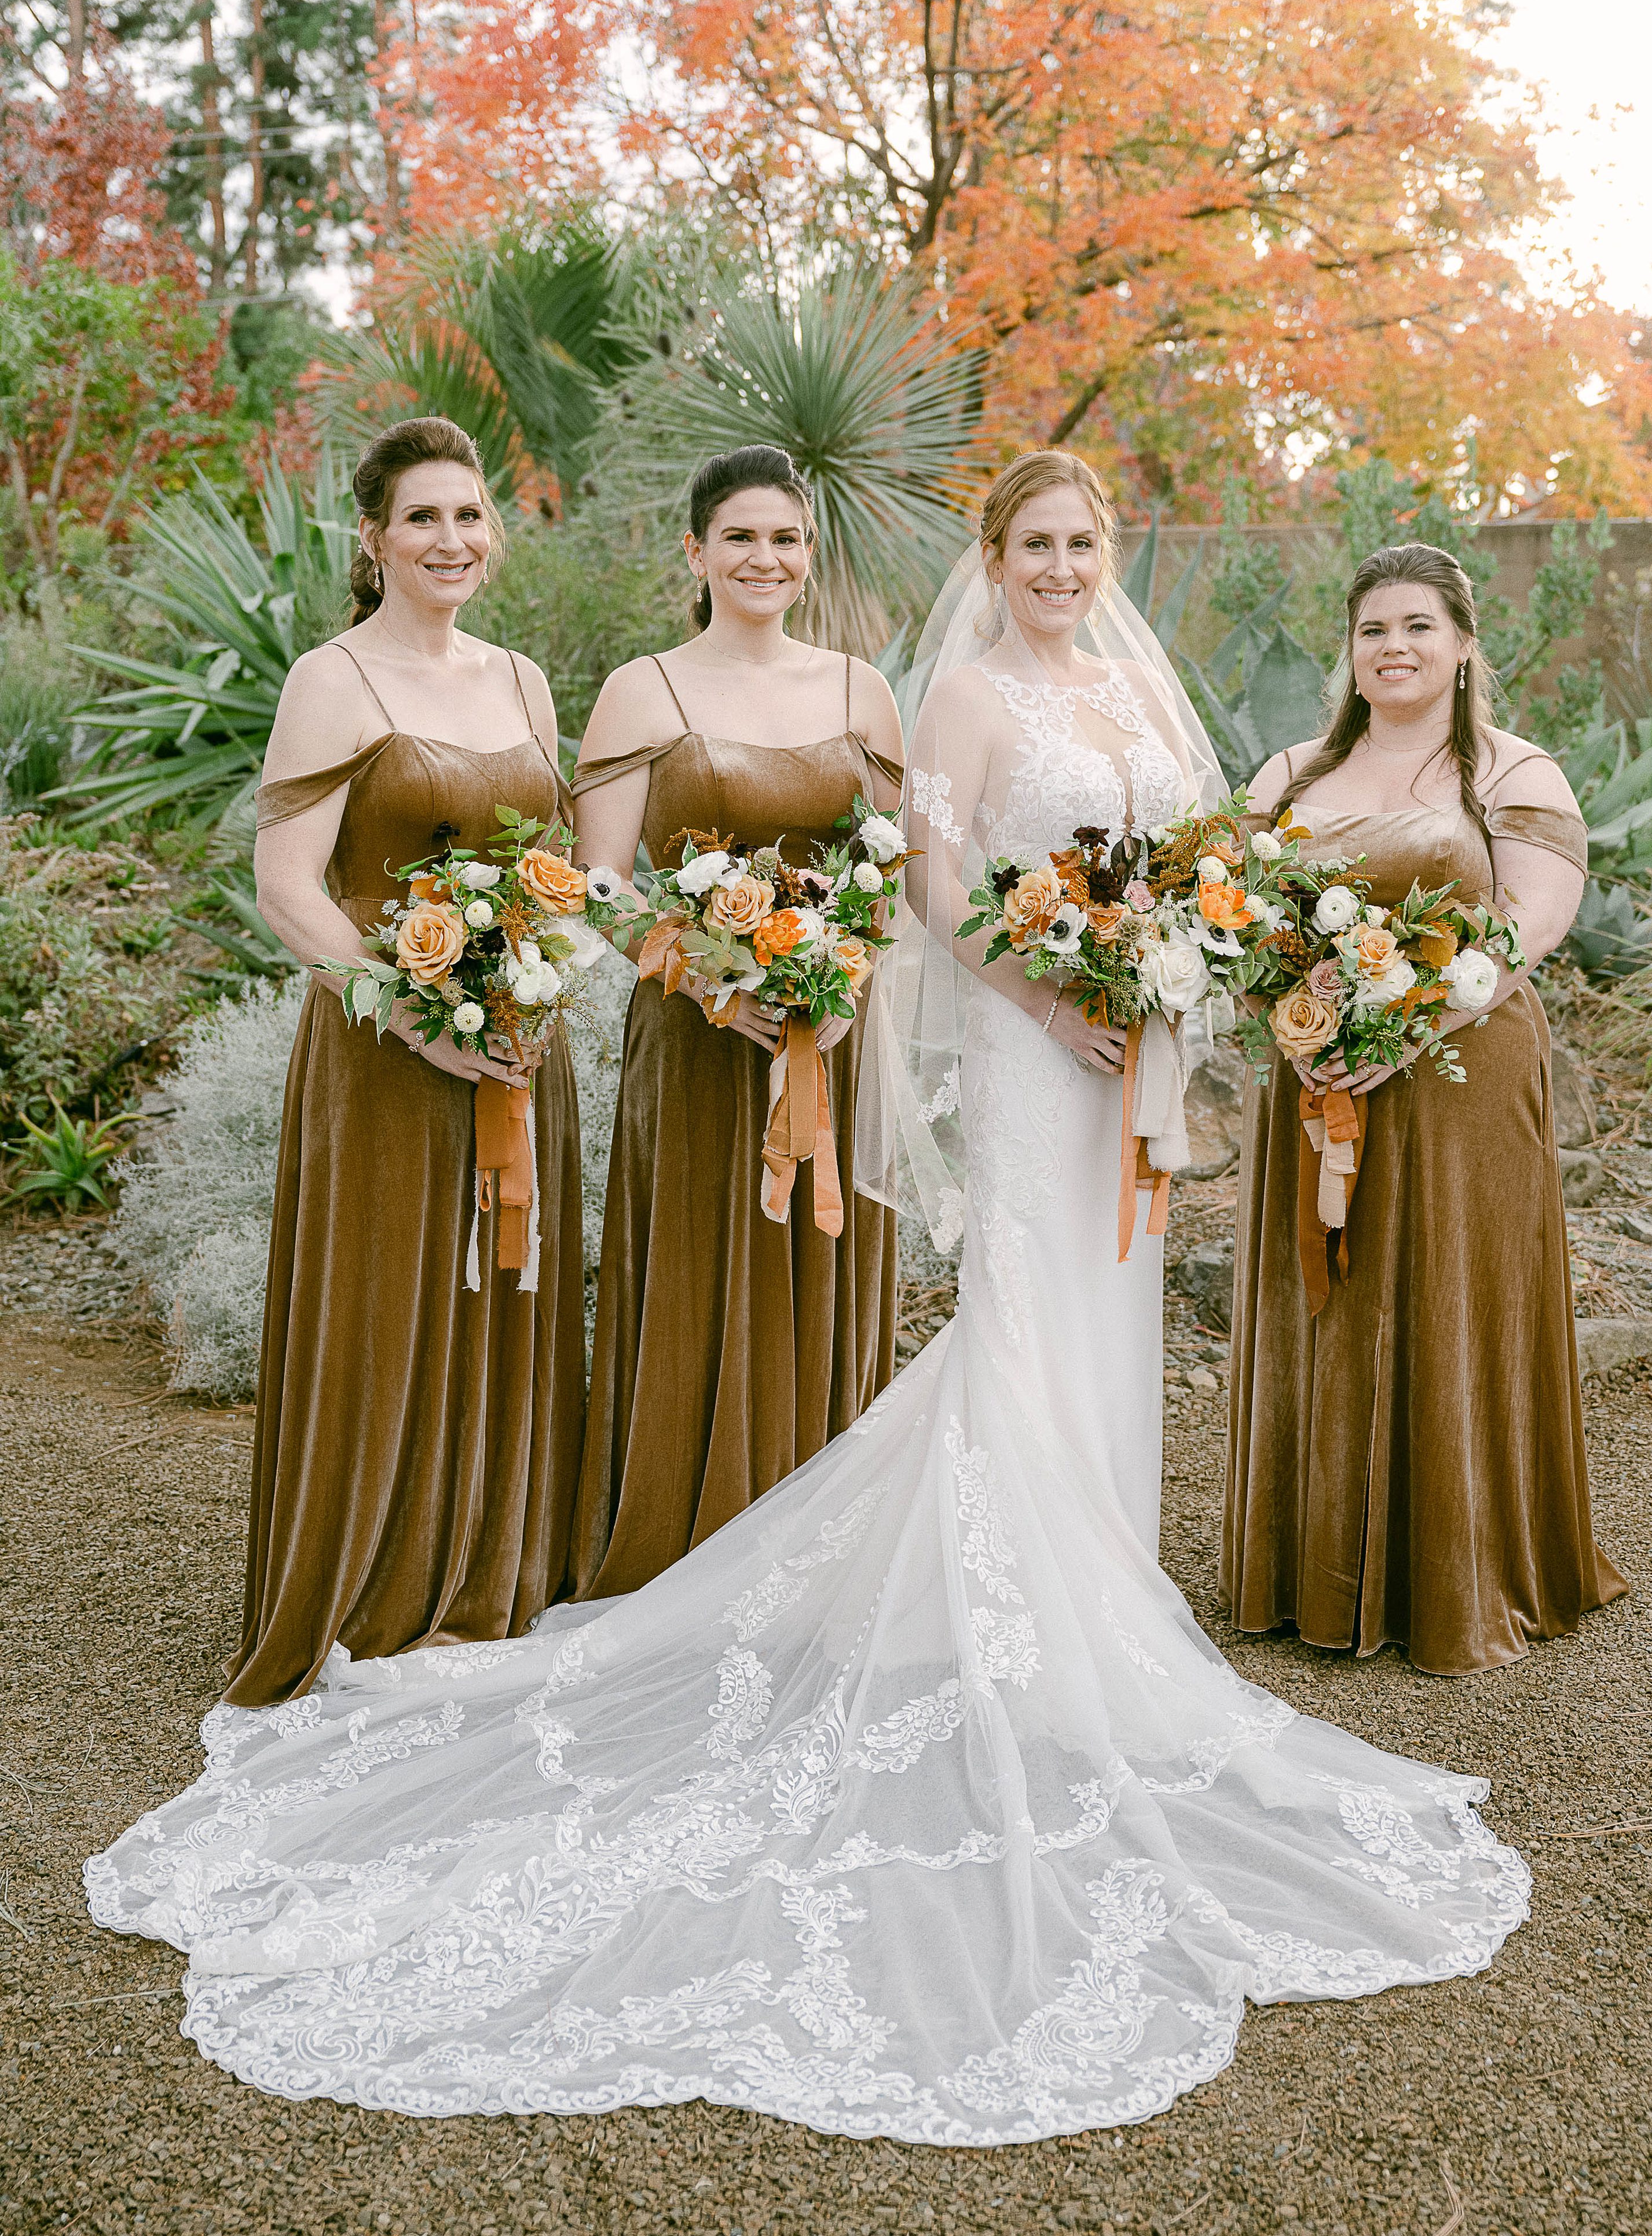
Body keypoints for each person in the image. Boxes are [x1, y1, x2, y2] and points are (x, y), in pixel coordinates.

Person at [86, 459, 1530, 2143]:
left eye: (1084, 542)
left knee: (1111, 1306)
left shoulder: (1118, 683)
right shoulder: (951, 691)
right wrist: (1011, 988)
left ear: (1110, 554)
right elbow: (920, 885)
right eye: (1035, 543)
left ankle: (1101, 1597)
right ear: (986, 561)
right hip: (1011, 1038)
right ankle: (1006, 1613)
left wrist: (1155, 977)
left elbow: (1188, 862)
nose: (1062, 565)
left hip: (1109, 1039)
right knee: (1022, 1305)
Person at [1221, 539, 1628, 1675]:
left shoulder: (1510, 771)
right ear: (1347, 657)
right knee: (1330, 1304)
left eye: (1416, 627)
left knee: (1457, 1294)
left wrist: (1399, 1032)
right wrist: (1297, 1028)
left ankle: (1464, 1570)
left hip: (1460, 1079)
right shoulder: (1288, 778)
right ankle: (1314, 1572)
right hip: (1313, 1077)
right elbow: (1244, 926)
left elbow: (1526, 930)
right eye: (1371, 630)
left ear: (1461, 647)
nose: (1393, 648)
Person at [231, 415, 587, 1707]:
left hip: (514, 1048)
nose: (453, 538)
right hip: (386, 1054)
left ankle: (490, 1570)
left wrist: (531, 982)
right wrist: (416, 1015)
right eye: (424, 517)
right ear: (372, 536)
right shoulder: (334, 678)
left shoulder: (525, 682)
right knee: (391, 1298)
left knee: (504, 1293)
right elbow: (288, 890)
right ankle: (375, 1579)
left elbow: (559, 876)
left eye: (471, 514)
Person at [569, 444, 903, 1599]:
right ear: (698, 550)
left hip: (824, 1035)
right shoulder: (644, 689)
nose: (767, 558)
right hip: (695, 1036)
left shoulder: (864, 691)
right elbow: (599, 880)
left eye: (788, 539)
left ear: (811, 555)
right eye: (744, 537)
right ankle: (682, 1535)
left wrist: (843, 972)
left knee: (815, 1267)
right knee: (703, 1276)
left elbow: (889, 870)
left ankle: (819, 1553)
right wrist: (713, 977)